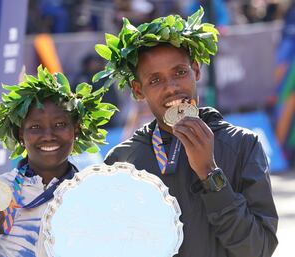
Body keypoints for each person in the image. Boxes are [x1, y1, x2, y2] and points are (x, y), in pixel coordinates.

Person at [93, 7, 278, 257]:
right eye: (155, 80)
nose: (171, 88)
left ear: (196, 70)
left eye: (180, 73)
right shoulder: (123, 161)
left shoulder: (243, 145)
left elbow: (259, 249)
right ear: (138, 90)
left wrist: (210, 174)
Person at [0, 66, 116, 256]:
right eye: (35, 127)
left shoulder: (93, 193)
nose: (48, 136)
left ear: (76, 129)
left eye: (59, 125)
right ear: (20, 136)